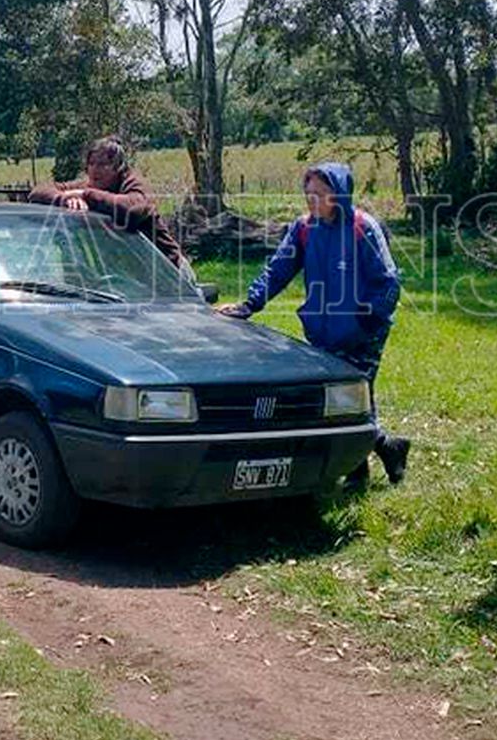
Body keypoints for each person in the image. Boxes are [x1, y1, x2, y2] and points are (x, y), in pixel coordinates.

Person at [218, 162, 411, 486]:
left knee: (348, 397)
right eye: (308, 194)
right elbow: (277, 270)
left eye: (321, 194)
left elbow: (388, 283)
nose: (313, 201)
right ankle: (381, 452)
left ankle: (365, 462)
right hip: (323, 330)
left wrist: (369, 318)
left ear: (339, 194)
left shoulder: (363, 228)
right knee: (339, 399)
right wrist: (249, 304)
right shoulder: (304, 229)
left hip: (364, 332)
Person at [27, 136, 186, 269]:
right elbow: (37, 193)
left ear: (118, 167)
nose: (95, 170)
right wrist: (65, 198)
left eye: (103, 164)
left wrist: (86, 195)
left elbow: (134, 208)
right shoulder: (89, 184)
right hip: (125, 276)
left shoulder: (131, 183)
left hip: (169, 271)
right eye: (91, 164)